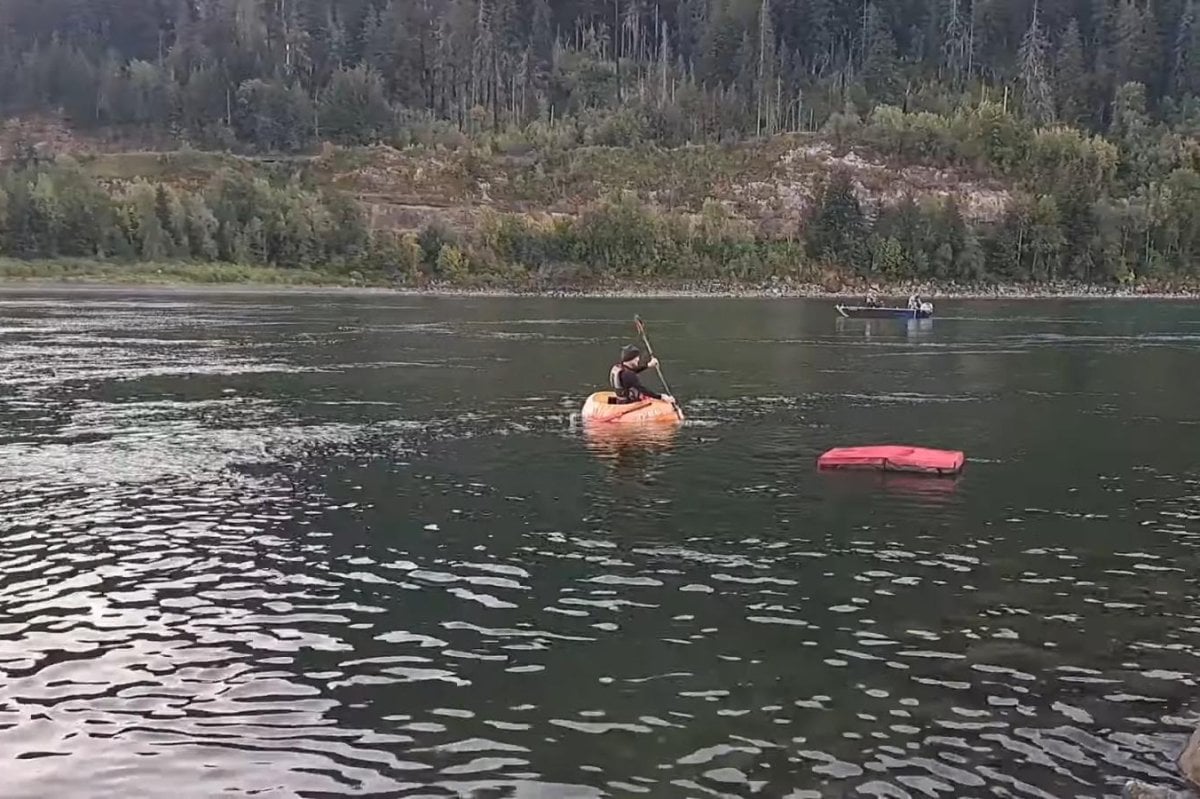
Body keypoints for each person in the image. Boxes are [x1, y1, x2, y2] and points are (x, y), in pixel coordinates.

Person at [610, 345, 674, 405]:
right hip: (628, 403)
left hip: (620, 399)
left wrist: (648, 365)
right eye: (637, 357)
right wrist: (661, 397)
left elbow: (633, 371)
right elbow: (643, 390)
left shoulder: (619, 368)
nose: (638, 360)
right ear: (631, 358)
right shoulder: (629, 375)